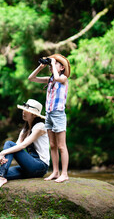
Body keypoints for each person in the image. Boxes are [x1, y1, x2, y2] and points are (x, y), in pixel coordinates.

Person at [28, 54, 70, 183]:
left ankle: (64, 173)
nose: (52, 65)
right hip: (49, 114)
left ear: (62, 67)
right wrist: (41, 67)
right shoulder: (50, 79)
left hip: (58, 114)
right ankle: (55, 172)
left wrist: (51, 63)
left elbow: (58, 78)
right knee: (52, 145)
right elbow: (31, 78)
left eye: (56, 63)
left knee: (61, 146)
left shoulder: (63, 78)